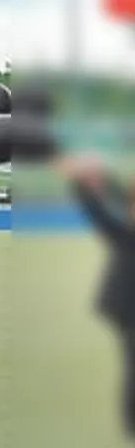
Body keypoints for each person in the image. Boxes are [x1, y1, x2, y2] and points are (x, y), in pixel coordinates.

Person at [61, 156, 135, 433]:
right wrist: (84, 183)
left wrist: (98, 178)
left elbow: (121, 200)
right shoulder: (127, 233)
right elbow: (103, 214)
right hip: (128, 306)